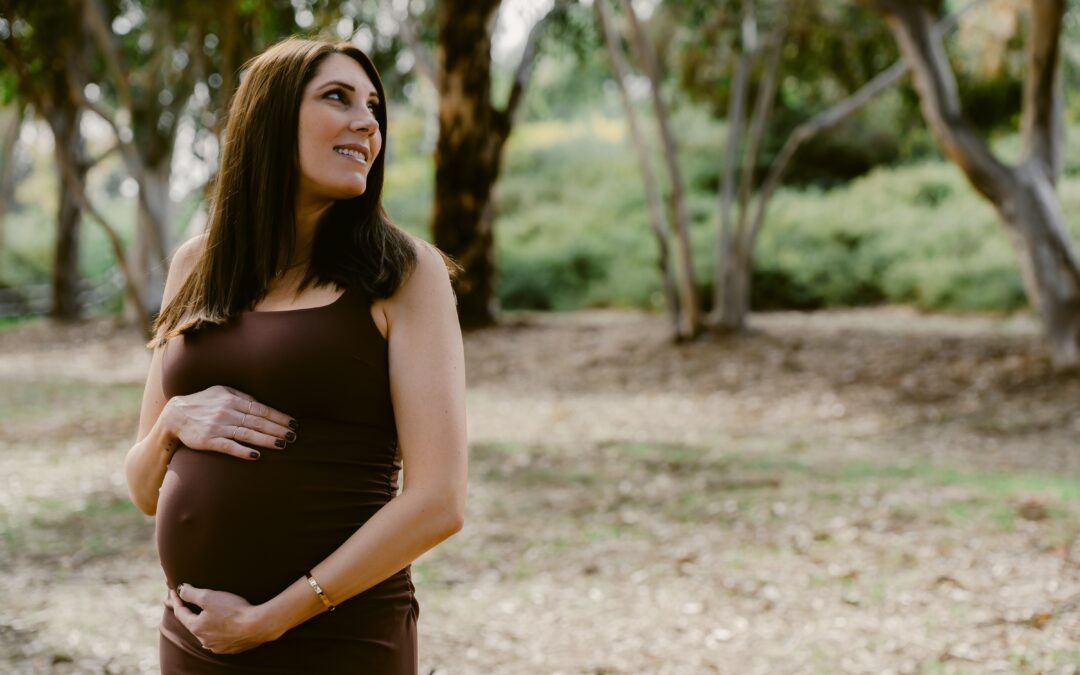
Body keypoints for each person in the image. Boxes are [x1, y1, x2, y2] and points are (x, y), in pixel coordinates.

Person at [124, 37, 468, 674]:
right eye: (337, 98)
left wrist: (270, 618)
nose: (367, 122)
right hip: (195, 637)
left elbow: (439, 500)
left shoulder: (405, 273)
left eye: (373, 107)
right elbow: (143, 490)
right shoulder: (195, 267)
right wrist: (172, 423)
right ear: (271, 118)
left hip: (342, 638)